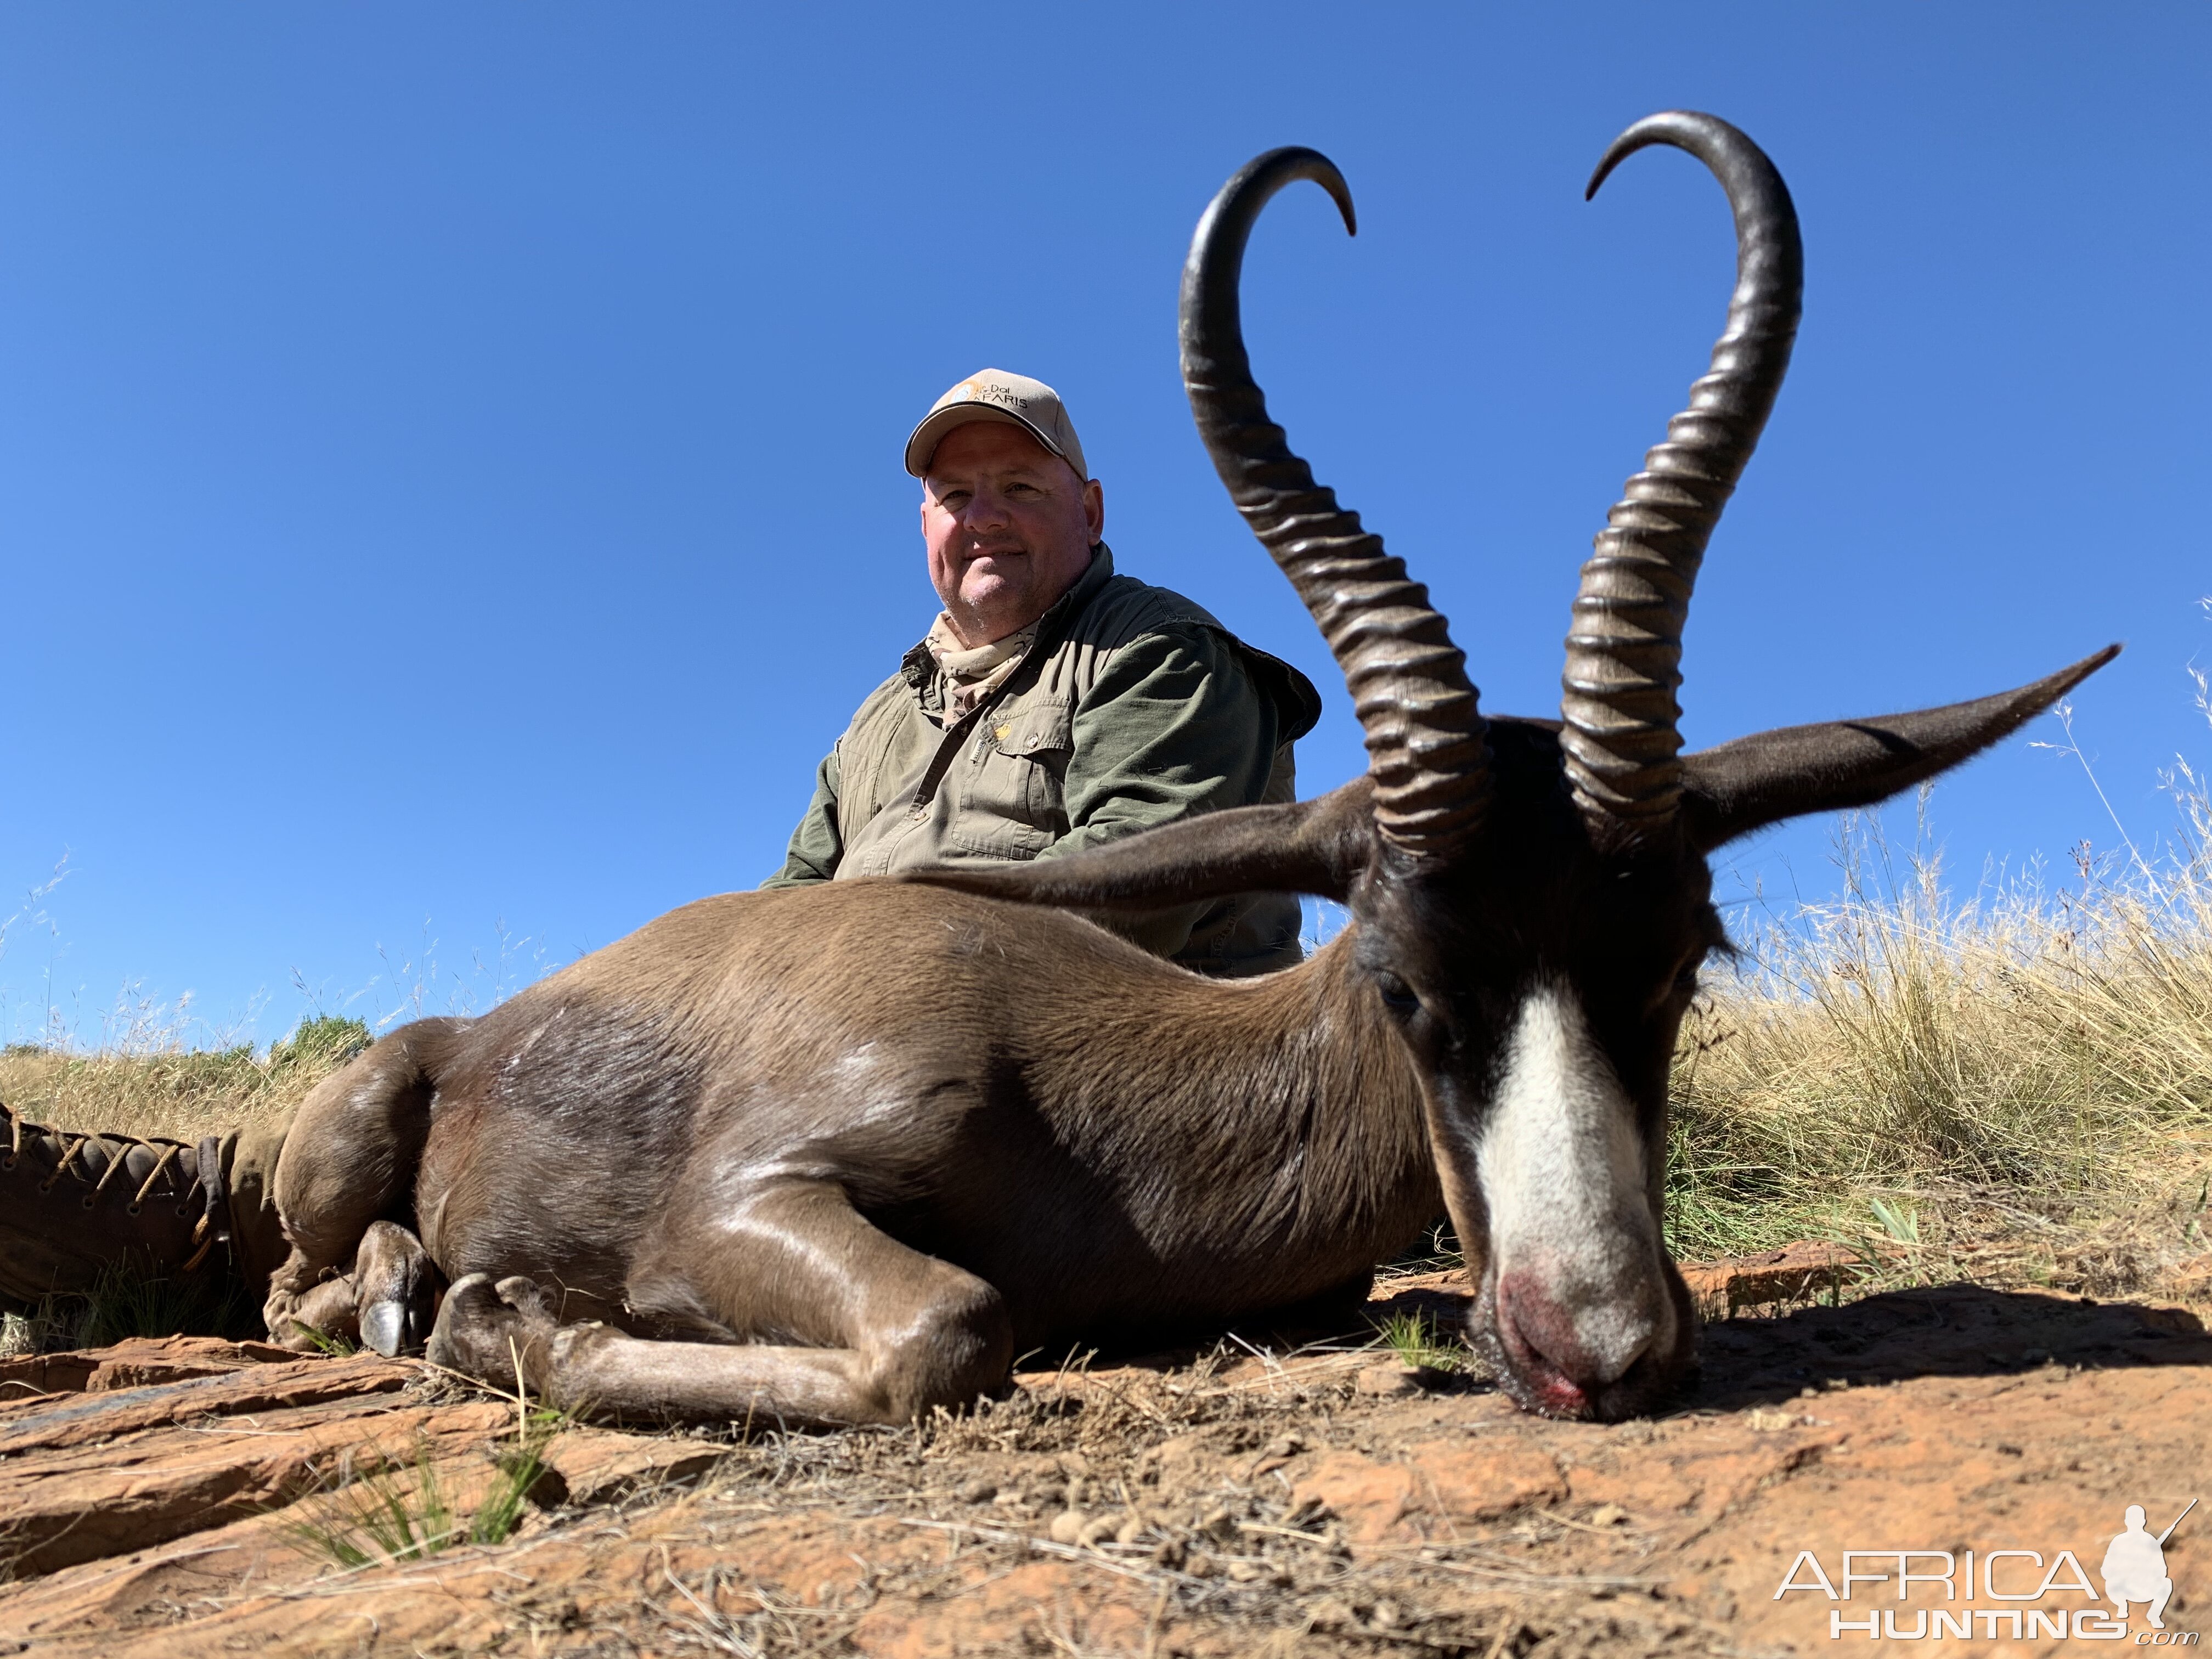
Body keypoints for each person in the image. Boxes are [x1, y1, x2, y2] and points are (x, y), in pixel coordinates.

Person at [764, 369, 1320, 977]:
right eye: (953, 496)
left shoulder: (1162, 649)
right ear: (926, 526)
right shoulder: (877, 718)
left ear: (1090, 512)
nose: (982, 518)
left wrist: (849, 982)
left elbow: (1131, 890)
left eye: (1020, 487)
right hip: (850, 1042)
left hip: (1115, 1044)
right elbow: (791, 896)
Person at [2102, 1504, 2175, 1629]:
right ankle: (2122, 1607)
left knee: (2167, 1583)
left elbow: (2162, 1570)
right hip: (2124, 1588)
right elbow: (2106, 1569)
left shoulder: (2150, 1540)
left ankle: (2154, 1615)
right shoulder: (2119, 1541)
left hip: (2145, 1588)